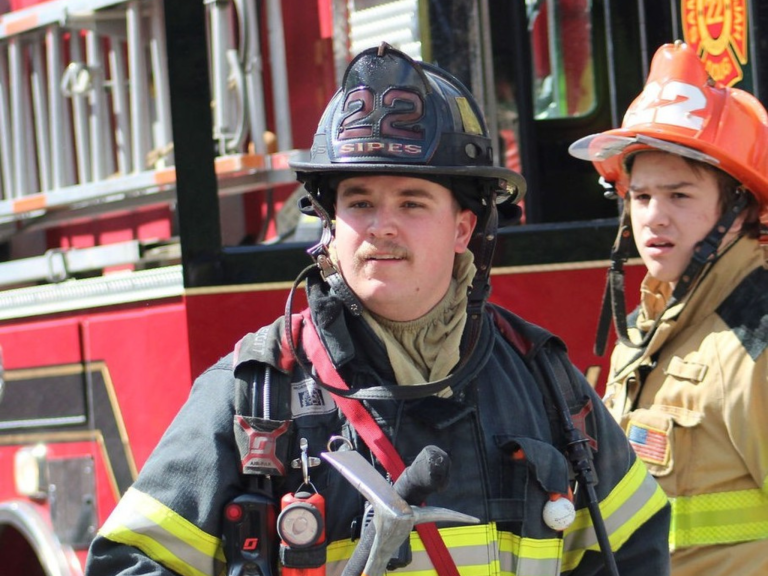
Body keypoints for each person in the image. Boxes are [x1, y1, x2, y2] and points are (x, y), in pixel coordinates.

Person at [85, 43, 670, 576]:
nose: (381, 227)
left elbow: (634, 546)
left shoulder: (543, 381)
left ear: (464, 227)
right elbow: (127, 566)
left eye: (412, 202)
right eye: (359, 201)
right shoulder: (255, 396)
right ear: (331, 225)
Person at [569, 41, 768, 575]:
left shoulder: (756, 343)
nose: (654, 217)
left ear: (738, 206)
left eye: (680, 196)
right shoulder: (646, 330)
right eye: (640, 196)